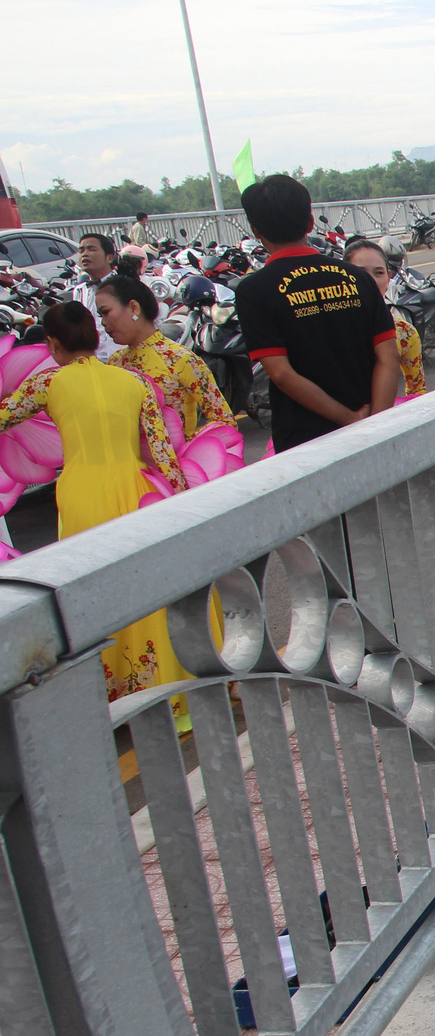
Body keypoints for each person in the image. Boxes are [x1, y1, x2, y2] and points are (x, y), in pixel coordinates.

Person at [0, 302, 188, 700]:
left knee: (92, 592)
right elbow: (162, 452)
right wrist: (184, 502)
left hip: (82, 494)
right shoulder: (133, 381)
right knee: (148, 587)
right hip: (137, 491)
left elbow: (3, 418)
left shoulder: (47, 384)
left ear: (52, 343)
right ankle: (166, 690)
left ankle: (111, 694)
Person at [232, 174, 397, 452]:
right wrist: (373, 425)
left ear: (255, 231)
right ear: (310, 222)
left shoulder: (254, 290)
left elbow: (282, 374)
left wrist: (349, 420)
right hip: (372, 431)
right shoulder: (357, 278)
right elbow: (388, 356)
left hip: (304, 442)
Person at [95, 273, 232, 436]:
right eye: (100, 316)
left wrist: (187, 445)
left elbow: (225, 422)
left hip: (180, 459)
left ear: (134, 308)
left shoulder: (181, 359)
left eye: (106, 312)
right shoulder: (114, 362)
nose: (103, 322)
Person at [344, 238, 426, 398]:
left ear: (389, 277)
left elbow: (417, 392)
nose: (370, 281)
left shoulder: (405, 332)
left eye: (378, 273)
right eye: (360, 273)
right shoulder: (330, 325)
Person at [70, 233, 121, 358]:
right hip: (94, 360)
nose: (85, 254)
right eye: (81, 250)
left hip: (121, 356)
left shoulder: (123, 286)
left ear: (109, 258)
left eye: (92, 249)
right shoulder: (80, 290)